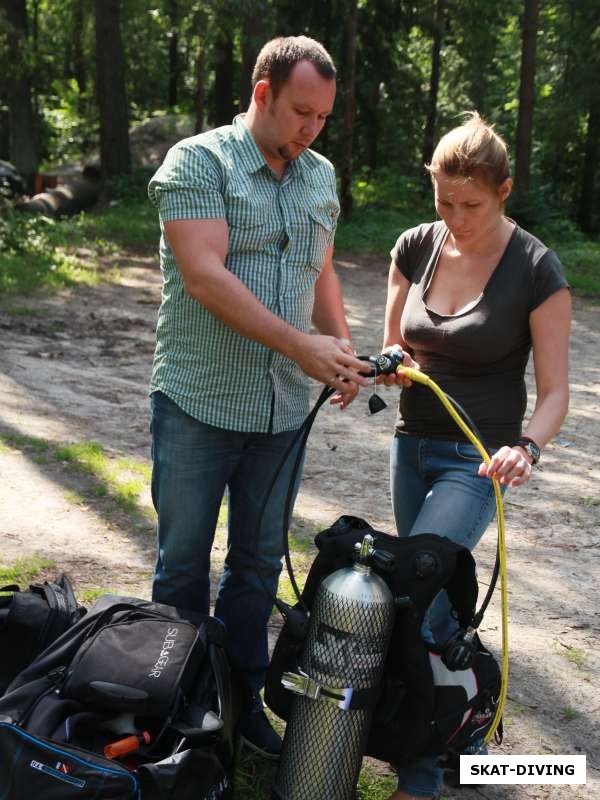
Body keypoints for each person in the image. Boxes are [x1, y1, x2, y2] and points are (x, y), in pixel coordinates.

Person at [147, 36, 369, 758]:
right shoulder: (198, 163)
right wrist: (298, 345)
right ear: (262, 92)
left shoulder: (320, 175)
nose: (311, 129)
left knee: (257, 566)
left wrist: (338, 350)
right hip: (198, 403)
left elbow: (322, 271)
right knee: (182, 566)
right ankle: (174, 708)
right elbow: (205, 276)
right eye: (301, 111)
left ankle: (240, 708)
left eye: (323, 118)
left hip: (280, 414)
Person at [380, 112, 571, 800]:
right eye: (444, 201)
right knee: (429, 609)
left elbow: (555, 394)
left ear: (504, 191)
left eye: (473, 205)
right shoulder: (415, 245)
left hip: (477, 460)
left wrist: (527, 449)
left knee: (416, 594)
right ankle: (468, 716)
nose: (456, 217)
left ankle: (421, 777)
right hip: (410, 448)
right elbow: (395, 341)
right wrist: (389, 364)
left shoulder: (536, 268)